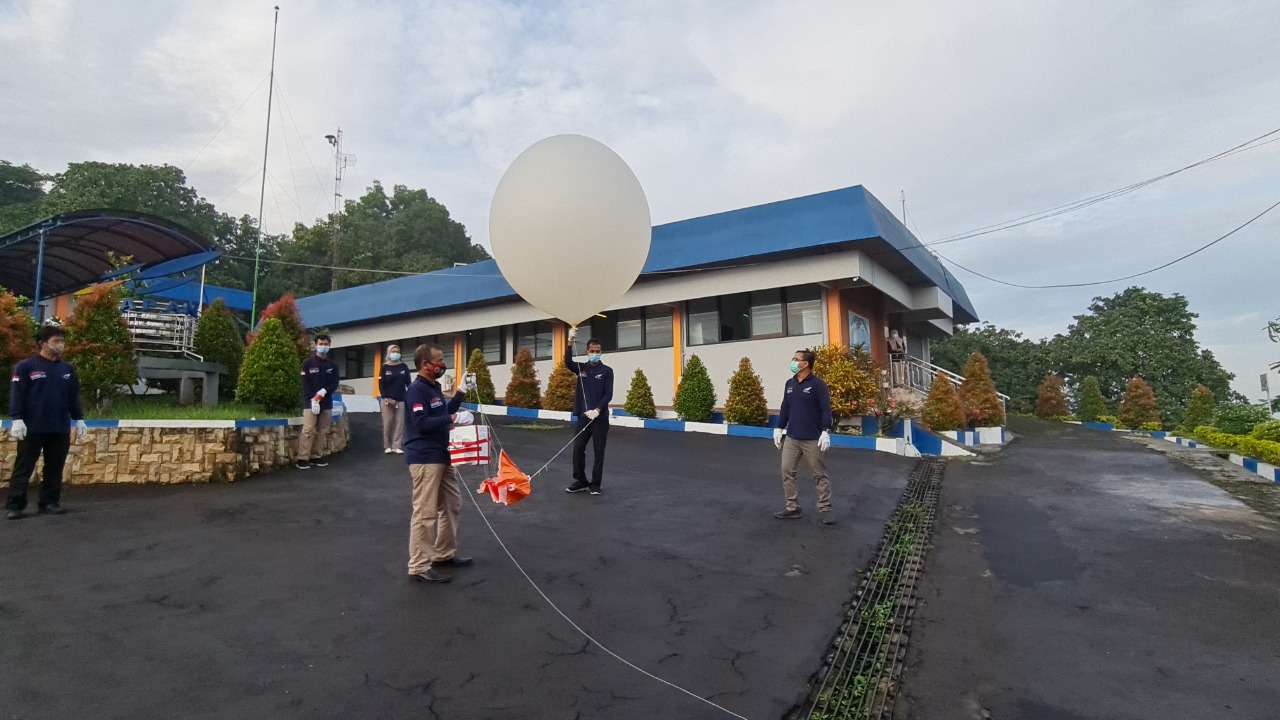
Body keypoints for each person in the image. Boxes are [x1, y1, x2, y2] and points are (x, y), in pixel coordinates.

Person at [404, 343, 477, 584]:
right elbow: (422, 423)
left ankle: (443, 554)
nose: (442, 364)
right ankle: (419, 564)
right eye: (439, 360)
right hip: (425, 458)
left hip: (443, 456)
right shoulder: (416, 390)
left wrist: (461, 392)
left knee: (452, 505)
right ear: (425, 365)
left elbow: (442, 411)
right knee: (425, 513)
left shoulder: (432, 387)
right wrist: (454, 417)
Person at [6, 325, 88, 520]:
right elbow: (17, 394)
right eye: (56, 341)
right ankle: (15, 505)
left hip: (59, 427)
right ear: (43, 344)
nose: (60, 345)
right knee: (24, 466)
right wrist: (17, 418)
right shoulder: (26, 367)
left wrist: (79, 418)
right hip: (33, 426)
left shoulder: (67, 370)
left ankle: (49, 502)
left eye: (62, 341)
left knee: (55, 466)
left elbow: (73, 396)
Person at [772, 348, 835, 524]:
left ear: (805, 363)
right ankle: (792, 508)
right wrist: (779, 428)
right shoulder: (790, 384)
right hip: (792, 437)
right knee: (787, 471)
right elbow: (785, 408)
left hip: (812, 439)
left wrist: (826, 430)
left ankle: (825, 509)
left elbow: (825, 409)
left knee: (819, 474)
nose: (792, 362)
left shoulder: (817, 385)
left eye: (795, 359)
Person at [563, 327, 613, 495]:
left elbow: (608, 394)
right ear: (586, 352)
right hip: (584, 416)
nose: (594, 353)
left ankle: (595, 484)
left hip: (599, 417)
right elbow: (567, 362)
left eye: (597, 351)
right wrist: (570, 341)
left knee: (599, 451)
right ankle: (581, 480)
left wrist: (598, 410)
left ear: (601, 352)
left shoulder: (607, 371)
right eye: (592, 351)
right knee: (578, 449)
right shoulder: (582, 369)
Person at [296, 333, 340, 470]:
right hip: (311, 402)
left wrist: (324, 391)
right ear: (315, 345)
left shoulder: (332, 365)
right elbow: (305, 383)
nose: (323, 346)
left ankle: (316, 456)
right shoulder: (308, 363)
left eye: (326, 344)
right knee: (308, 430)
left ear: (329, 346)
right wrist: (313, 399)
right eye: (321, 344)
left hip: (326, 403)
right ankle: (302, 458)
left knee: (322, 431)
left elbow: (335, 383)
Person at [379, 344, 412, 454]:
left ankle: (397, 445)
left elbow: (408, 383)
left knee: (400, 423)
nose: (396, 353)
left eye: (397, 351)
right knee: (388, 422)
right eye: (393, 351)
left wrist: (411, 395)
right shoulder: (384, 367)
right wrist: (384, 397)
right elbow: (381, 383)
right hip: (387, 400)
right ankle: (387, 445)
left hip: (401, 399)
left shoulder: (404, 367)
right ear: (388, 353)